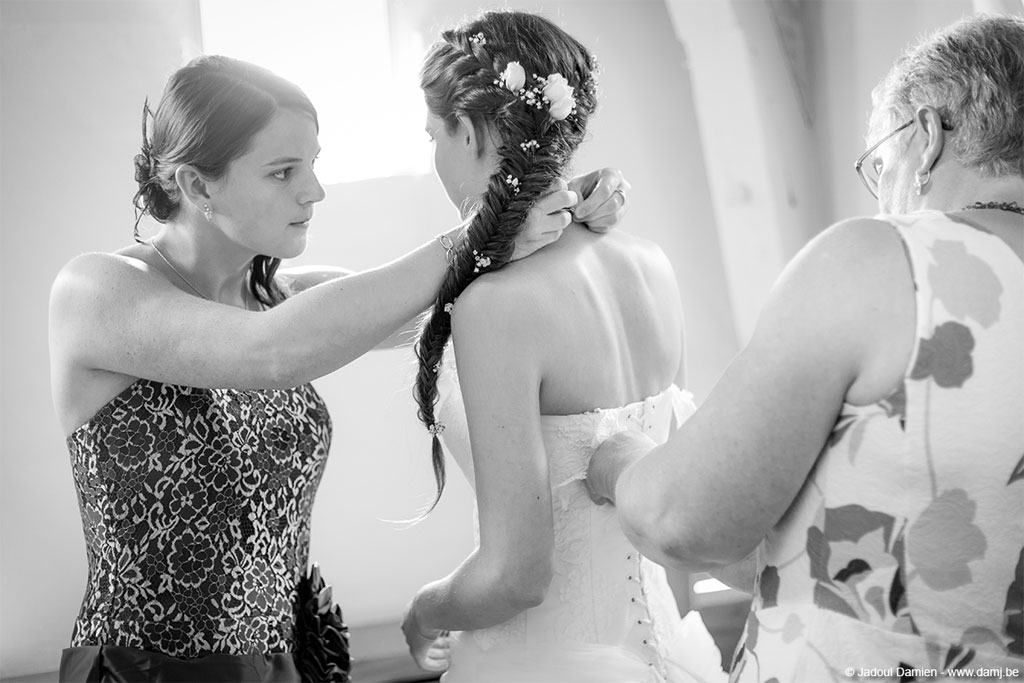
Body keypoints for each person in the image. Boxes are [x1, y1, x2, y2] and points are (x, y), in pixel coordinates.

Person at [49, 54, 629, 682]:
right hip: (144, 671)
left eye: (313, 165)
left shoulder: (289, 299)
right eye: (283, 171)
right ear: (197, 185)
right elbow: (270, 353)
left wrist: (562, 210)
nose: (314, 191)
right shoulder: (96, 291)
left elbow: (468, 310)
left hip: (289, 664)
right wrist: (479, 232)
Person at [587, 12, 1024, 682]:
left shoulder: (882, 260)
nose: (881, 201)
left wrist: (619, 460)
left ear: (928, 137)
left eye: (881, 165)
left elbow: (681, 520)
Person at [398, 11, 728, 683]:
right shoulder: (652, 264)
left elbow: (516, 576)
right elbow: (672, 511)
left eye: (434, 135)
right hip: (671, 652)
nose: (435, 156)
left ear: (468, 131)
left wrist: (425, 609)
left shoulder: (495, 304)